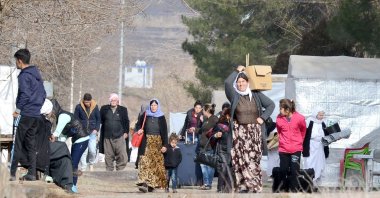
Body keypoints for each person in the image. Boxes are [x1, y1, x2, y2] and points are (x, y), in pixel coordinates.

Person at [224, 65, 275, 193]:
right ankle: (243, 186)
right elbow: (227, 83)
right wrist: (237, 71)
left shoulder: (256, 95)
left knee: (253, 158)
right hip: (240, 133)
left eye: (243, 81)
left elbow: (271, 105)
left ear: (248, 82)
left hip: (254, 133)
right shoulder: (234, 95)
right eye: (239, 82)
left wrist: (262, 117)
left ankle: (255, 185)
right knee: (241, 159)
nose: (241, 84)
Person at [10, 48, 46, 181]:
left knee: (17, 143)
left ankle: (12, 173)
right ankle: (31, 173)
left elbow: (25, 95)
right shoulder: (37, 75)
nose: (16, 64)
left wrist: (18, 110)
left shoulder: (24, 75)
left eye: (16, 61)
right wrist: (36, 107)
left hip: (25, 113)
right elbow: (43, 95)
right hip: (36, 115)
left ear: (20, 61)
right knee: (31, 144)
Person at [49, 99, 90, 193]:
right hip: (77, 140)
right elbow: (62, 136)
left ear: (53, 109)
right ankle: (70, 184)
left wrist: (53, 138)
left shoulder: (63, 116)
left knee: (73, 163)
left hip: (82, 139)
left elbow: (57, 132)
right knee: (71, 162)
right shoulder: (60, 116)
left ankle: (73, 186)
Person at [135, 99, 168, 193]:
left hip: (157, 142)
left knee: (154, 163)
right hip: (146, 141)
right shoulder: (145, 115)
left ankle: (152, 185)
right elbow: (138, 125)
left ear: (158, 106)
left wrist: (165, 145)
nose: (153, 107)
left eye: (155, 105)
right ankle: (144, 183)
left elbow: (165, 132)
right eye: (152, 105)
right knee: (144, 161)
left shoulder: (161, 117)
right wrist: (139, 130)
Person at [276, 99, 306, 192]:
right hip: (283, 149)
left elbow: (303, 130)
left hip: (296, 150)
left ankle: (294, 190)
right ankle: (283, 190)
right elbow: (279, 131)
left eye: (281, 109)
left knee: (294, 171)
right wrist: (282, 141)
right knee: (283, 170)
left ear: (287, 110)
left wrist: (300, 141)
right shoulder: (279, 118)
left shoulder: (300, 118)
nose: (280, 110)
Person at [99, 93, 129, 171]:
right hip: (107, 136)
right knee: (108, 155)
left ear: (117, 101)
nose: (113, 101)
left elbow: (126, 122)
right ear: (110, 100)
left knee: (122, 155)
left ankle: (120, 170)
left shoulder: (123, 110)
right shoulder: (104, 109)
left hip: (119, 136)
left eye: (115, 100)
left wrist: (126, 132)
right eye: (112, 100)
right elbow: (100, 120)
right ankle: (109, 171)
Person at [74, 93, 100, 171]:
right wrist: (79, 129)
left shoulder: (95, 107)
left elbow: (98, 119)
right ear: (83, 101)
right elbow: (75, 119)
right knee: (83, 151)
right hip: (82, 132)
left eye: (88, 102)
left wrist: (96, 129)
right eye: (85, 102)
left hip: (92, 132)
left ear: (91, 101)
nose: (87, 104)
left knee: (92, 150)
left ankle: (91, 163)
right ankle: (83, 167)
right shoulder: (78, 107)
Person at [303, 107, 329, 183]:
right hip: (311, 145)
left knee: (320, 161)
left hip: (320, 145)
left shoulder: (323, 123)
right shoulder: (309, 121)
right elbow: (305, 133)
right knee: (310, 160)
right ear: (315, 114)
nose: (321, 117)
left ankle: (317, 177)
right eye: (320, 115)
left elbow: (325, 133)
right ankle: (309, 177)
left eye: (322, 115)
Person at [198, 103, 219, 190]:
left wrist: (204, 122)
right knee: (203, 165)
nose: (202, 111)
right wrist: (195, 129)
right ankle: (207, 183)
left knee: (209, 166)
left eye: (203, 110)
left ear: (206, 110)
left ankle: (208, 183)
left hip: (210, 146)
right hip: (203, 146)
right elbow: (202, 130)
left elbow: (210, 130)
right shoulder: (207, 119)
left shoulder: (214, 119)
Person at [212, 108, 233, 193]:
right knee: (223, 168)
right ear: (228, 116)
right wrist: (216, 135)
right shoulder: (220, 125)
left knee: (230, 169)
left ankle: (228, 188)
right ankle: (220, 188)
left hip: (232, 149)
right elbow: (211, 135)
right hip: (222, 149)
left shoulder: (235, 125)